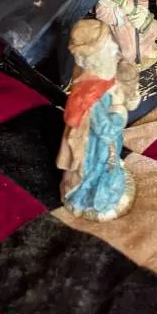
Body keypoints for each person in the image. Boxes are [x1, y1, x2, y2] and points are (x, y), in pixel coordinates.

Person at [56, 19, 140, 221]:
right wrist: (119, 109)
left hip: (99, 139)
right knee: (97, 172)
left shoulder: (98, 76)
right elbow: (106, 130)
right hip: (94, 147)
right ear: (94, 57)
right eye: (108, 47)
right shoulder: (91, 95)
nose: (114, 49)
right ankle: (90, 200)